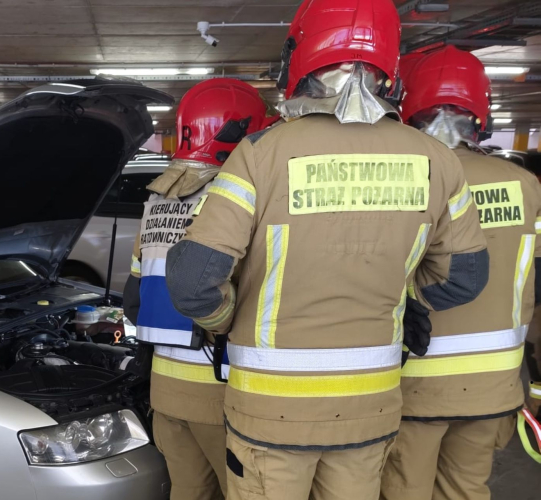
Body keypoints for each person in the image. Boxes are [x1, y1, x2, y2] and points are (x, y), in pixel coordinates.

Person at [164, 1, 490, 498]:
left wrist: (227, 317)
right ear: (389, 67)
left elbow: (192, 281)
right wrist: (402, 306)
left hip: (270, 411)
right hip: (370, 405)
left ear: (299, 57)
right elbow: (465, 276)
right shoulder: (436, 159)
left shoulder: (261, 153)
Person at [380, 45, 541, 500]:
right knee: (467, 490)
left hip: (413, 381)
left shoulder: (408, 180)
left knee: (403, 490)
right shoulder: (525, 186)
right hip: (494, 385)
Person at [123, 78, 273, 500]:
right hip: (217, 386)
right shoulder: (232, 200)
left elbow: (134, 301)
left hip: (164, 388)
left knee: (188, 491)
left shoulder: (159, 199)